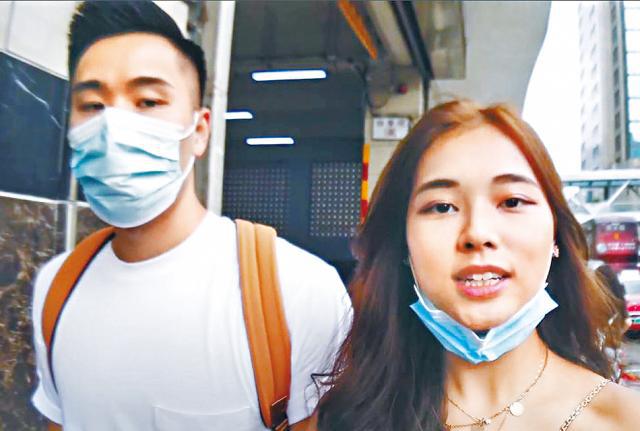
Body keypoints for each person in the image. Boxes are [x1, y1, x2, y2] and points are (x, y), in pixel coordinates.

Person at [30, 2, 350, 430]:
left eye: (147, 101)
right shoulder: (56, 288)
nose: (112, 127)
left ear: (199, 131)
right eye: (92, 105)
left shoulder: (298, 290)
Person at [313, 100, 640, 430]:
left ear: (556, 235)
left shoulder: (626, 420)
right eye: (442, 207)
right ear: (403, 244)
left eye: (512, 201)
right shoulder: (345, 418)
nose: (477, 234)